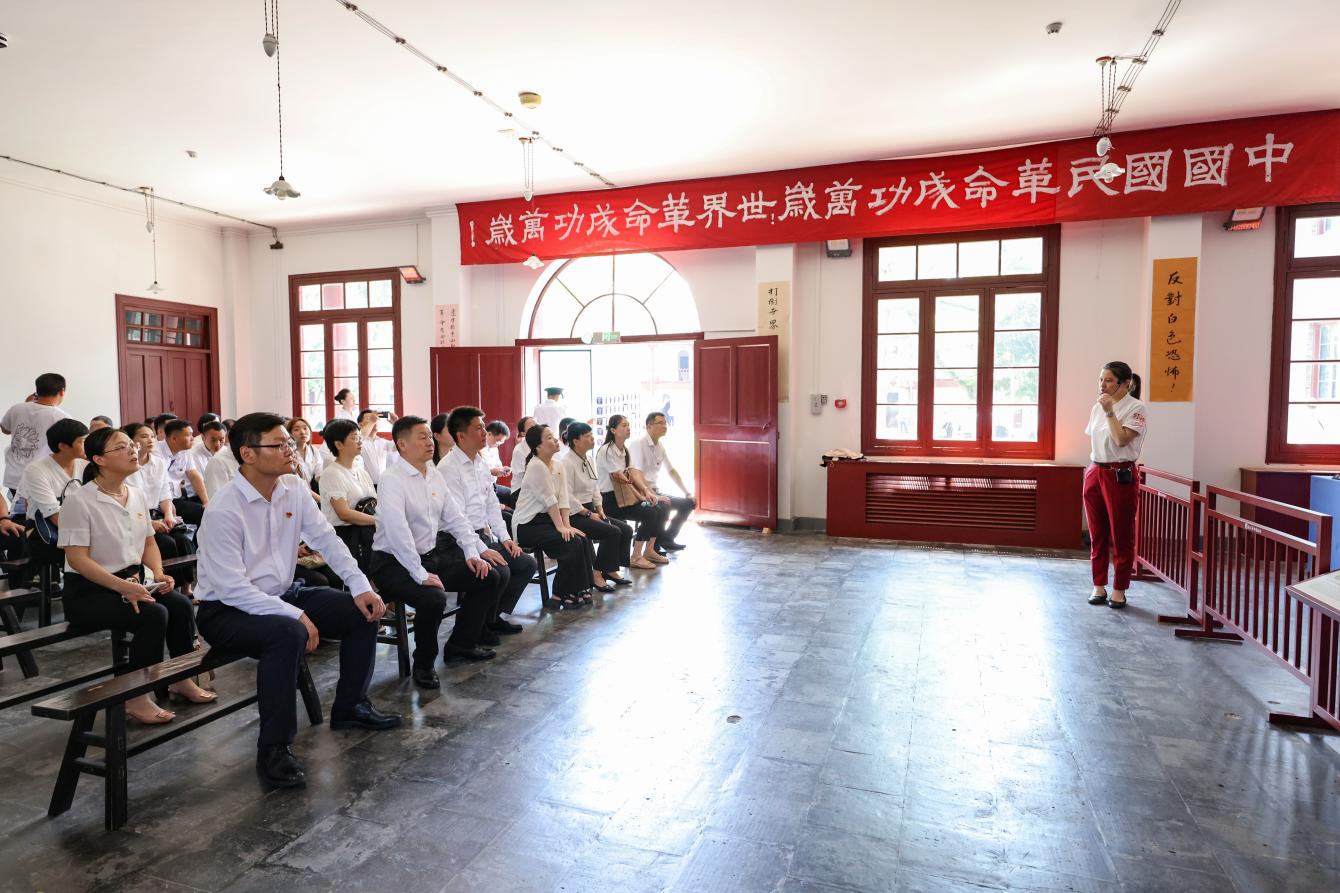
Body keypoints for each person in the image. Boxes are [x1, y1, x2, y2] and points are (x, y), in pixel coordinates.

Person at [194, 412, 401, 789]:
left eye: (290, 443)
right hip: (226, 609)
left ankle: (351, 705)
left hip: (281, 594)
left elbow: (327, 540)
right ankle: (274, 748)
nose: (291, 450)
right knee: (287, 633)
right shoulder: (224, 508)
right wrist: (294, 614)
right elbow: (231, 587)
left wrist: (360, 585)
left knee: (361, 611)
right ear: (248, 454)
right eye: (279, 444)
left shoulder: (292, 487)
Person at [58, 427, 214, 724]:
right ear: (98, 459)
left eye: (131, 445)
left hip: (132, 582)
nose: (132, 450)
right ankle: (136, 695)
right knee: (153, 615)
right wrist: (122, 587)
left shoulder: (136, 494)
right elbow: (77, 559)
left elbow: (148, 543)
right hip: (90, 592)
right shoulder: (80, 500)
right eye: (121, 447)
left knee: (180, 605)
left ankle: (180, 678)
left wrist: (159, 574)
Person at [370, 416, 510, 688]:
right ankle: (424, 664)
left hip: (429, 556)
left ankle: (461, 644)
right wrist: (419, 572)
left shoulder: (434, 475)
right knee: (433, 599)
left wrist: (472, 552)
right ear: (402, 444)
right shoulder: (392, 479)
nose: (429, 442)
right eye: (421, 437)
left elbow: (456, 518)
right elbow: (398, 532)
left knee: (488, 576)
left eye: (429, 436)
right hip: (393, 563)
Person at [438, 406, 537, 631]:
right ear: (461, 435)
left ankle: (490, 619)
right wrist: (482, 549)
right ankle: (474, 629)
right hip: (457, 541)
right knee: (499, 571)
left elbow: (491, 504)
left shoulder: (480, 463)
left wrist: (505, 538)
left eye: (484, 427)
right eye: (478, 428)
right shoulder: (448, 468)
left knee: (525, 564)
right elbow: (458, 519)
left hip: (482, 535)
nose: (485, 432)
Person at [1084, 362, 1148, 610]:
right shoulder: (1097, 407)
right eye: (1101, 379)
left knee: (1121, 534)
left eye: (1109, 380)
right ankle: (1098, 585)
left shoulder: (1136, 408)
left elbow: (1121, 440)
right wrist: (1105, 408)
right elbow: (1097, 441)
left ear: (1126, 383)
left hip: (1120, 474)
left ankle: (1119, 589)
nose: (1102, 385)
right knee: (1097, 533)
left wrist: (1110, 411)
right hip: (1095, 470)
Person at [513, 424, 592, 609]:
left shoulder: (558, 465)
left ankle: (579, 588)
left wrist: (567, 525)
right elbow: (549, 500)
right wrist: (561, 527)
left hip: (547, 520)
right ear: (538, 446)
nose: (556, 439)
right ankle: (559, 595)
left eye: (553, 436)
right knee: (571, 542)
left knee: (581, 539)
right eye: (549, 437)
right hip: (528, 524)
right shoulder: (535, 465)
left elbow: (563, 498)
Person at [561, 422, 632, 591]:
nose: (592, 439)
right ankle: (597, 574)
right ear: (576, 441)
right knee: (612, 532)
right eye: (587, 436)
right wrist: (587, 513)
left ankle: (610, 569)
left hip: (590, 509)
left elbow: (595, 488)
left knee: (626, 530)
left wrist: (600, 509)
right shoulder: (566, 462)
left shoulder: (590, 459)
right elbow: (566, 495)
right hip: (573, 514)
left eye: (591, 435)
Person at [597, 414, 669, 569]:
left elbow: (634, 474)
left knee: (659, 509)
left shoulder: (625, 450)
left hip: (624, 498)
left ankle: (649, 551)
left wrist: (648, 492)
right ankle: (636, 556)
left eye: (628, 425)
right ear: (613, 430)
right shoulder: (607, 450)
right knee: (650, 513)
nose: (628, 428)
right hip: (610, 501)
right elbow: (623, 480)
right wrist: (643, 497)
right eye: (624, 425)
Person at [124, 422, 194, 561]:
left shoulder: (159, 463)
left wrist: (168, 515)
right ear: (130, 441)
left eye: (152, 436)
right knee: (167, 544)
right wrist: (149, 523)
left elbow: (165, 494)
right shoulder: (124, 466)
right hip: (135, 519)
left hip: (157, 515)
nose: (150, 440)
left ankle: (190, 576)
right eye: (144, 437)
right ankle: (162, 575)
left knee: (183, 541)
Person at [630, 412, 695, 553]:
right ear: (649, 426)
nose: (665, 426)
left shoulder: (660, 446)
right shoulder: (638, 444)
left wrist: (687, 493)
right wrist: (650, 493)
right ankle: (654, 546)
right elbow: (636, 473)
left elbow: (671, 471)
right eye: (660, 423)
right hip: (641, 492)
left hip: (655, 491)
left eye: (665, 423)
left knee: (688, 503)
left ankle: (667, 539)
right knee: (664, 505)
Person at [318, 419, 376, 574]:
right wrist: (380, 520)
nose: (360, 442)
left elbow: (373, 502)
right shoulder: (332, 473)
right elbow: (344, 513)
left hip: (367, 532)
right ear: (338, 444)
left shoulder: (361, 471)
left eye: (360, 437)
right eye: (354, 438)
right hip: (346, 537)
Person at [2, 373, 69, 498]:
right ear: (62, 391)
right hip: (40, 478)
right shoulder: (63, 418)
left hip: (14, 476)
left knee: (19, 509)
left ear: (37, 390)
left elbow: (5, 429)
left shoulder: (17, 408)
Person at [17, 417, 89, 532]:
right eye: (83, 441)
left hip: (81, 528)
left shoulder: (86, 465)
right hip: (47, 533)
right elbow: (54, 515)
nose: (88, 444)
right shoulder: (36, 470)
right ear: (63, 446)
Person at [163, 420, 204, 524]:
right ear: (174, 439)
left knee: (208, 510)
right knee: (202, 514)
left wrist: (206, 502)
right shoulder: (157, 453)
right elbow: (159, 484)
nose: (193, 438)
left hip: (178, 497)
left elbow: (193, 475)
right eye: (189, 435)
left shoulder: (185, 451)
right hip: (162, 502)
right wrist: (168, 508)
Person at [356, 409, 398, 485]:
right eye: (369, 418)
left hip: (383, 485)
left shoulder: (384, 442)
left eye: (376, 418)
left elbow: (399, 446)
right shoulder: (358, 442)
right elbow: (358, 437)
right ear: (360, 425)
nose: (375, 421)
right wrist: (372, 422)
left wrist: (396, 425)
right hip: (364, 485)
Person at [505, 416, 536, 506]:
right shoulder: (519, 450)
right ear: (523, 433)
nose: (536, 428)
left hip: (535, 489)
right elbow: (527, 477)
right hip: (520, 492)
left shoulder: (541, 445)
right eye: (532, 427)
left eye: (536, 425)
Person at [286, 417, 324, 486]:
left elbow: (319, 473)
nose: (302, 432)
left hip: (310, 490)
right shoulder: (288, 452)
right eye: (296, 429)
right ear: (289, 433)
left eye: (305, 428)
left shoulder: (314, 450)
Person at [483, 420, 512, 501]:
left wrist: (503, 469)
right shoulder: (476, 448)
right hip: (480, 489)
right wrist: (491, 472)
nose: (499, 444)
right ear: (489, 434)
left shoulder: (494, 449)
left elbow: (498, 466)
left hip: (492, 486)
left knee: (516, 496)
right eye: (498, 441)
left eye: (502, 442)